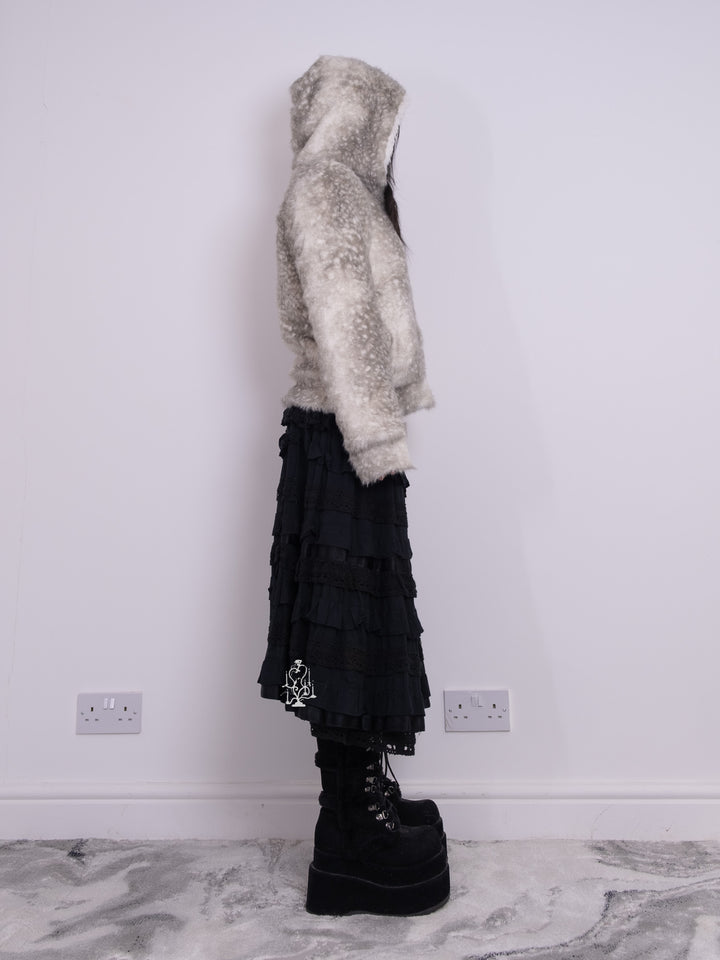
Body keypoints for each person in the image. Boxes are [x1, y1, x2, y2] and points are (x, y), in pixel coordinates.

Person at [258, 55, 449, 916]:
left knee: (347, 634)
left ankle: (359, 799)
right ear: (359, 118)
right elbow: (345, 325)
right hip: (346, 435)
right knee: (336, 639)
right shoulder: (328, 188)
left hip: (344, 434)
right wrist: (377, 439)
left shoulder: (340, 190)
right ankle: (349, 824)